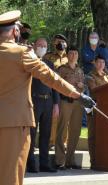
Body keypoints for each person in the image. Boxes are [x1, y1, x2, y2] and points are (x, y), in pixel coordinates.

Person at [0, 10, 95, 185]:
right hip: (14, 123)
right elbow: (50, 77)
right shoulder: (21, 53)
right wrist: (77, 94)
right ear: (15, 31)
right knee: (11, 173)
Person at [26, 38, 59, 173]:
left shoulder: (50, 64)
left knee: (46, 134)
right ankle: (31, 164)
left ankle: (45, 164)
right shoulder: (29, 62)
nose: (42, 48)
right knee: (32, 134)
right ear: (34, 46)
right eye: (40, 45)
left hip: (48, 102)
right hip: (34, 101)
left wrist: (56, 103)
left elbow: (55, 84)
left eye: (45, 46)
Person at [55, 46, 84, 170]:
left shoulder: (80, 70)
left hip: (77, 103)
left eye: (75, 53)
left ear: (78, 56)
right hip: (65, 101)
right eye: (71, 53)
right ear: (67, 55)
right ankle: (60, 161)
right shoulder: (61, 69)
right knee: (62, 130)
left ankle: (70, 160)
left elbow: (83, 87)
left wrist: (82, 86)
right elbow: (56, 84)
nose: (73, 55)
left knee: (75, 131)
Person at [86, 55, 108, 168]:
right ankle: (94, 161)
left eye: (103, 62)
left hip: (107, 108)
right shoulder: (90, 76)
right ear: (94, 63)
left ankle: (104, 160)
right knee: (93, 135)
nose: (101, 64)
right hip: (94, 107)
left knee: (105, 134)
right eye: (99, 62)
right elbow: (94, 90)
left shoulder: (107, 76)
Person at [44, 34, 68, 149]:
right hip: (53, 89)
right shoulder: (48, 57)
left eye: (62, 42)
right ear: (53, 43)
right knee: (54, 116)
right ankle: (52, 142)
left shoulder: (69, 57)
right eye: (57, 41)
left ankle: (63, 142)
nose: (60, 44)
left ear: (66, 44)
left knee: (65, 118)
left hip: (65, 90)